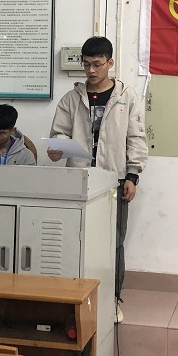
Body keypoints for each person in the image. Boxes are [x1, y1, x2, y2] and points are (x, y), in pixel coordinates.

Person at [46, 36, 147, 323]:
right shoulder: (71, 98)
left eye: (97, 64)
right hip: (78, 180)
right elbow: (59, 133)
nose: (91, 70)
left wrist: (133, 175)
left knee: (113, 242)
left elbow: (136, 138)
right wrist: (56, 147)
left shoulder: (127, 97)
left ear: (110, 63)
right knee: (76, 239)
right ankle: (76, 297)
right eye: (87, 64)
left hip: (114, 180)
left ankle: (112, 299)